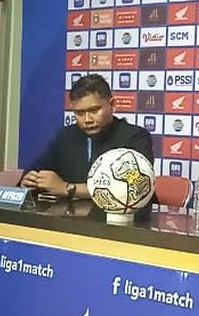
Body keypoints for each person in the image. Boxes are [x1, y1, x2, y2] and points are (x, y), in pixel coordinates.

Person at [20, 74, 155, 218]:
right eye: (79, 113)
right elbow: (37, 167)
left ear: (112, 105)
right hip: (74, 222)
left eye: (94, 110)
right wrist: (30, 179)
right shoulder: (66, 135)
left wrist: (68, 188)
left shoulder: (136, 136)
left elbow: (134, 187)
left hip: (127, 222)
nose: (87, 120)